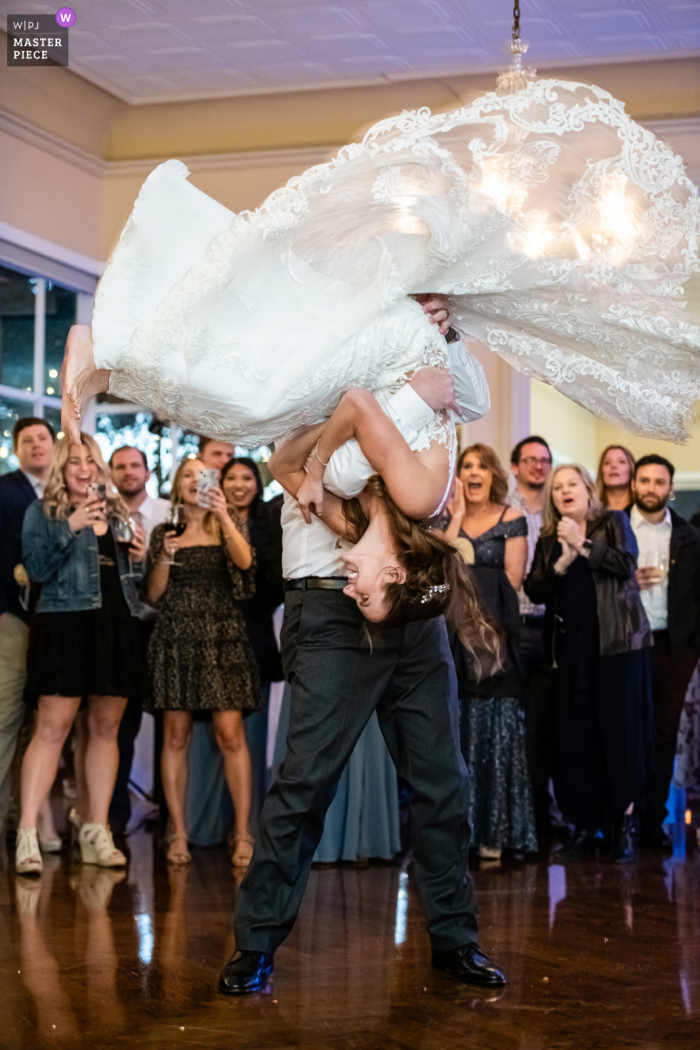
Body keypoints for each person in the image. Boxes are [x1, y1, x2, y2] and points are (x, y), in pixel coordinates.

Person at [61, 80, 698, 454]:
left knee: (255, 410)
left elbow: (470, 400)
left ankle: (108, 355)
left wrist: (446, 332)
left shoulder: (449, 320)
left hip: (383, 345)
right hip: (362, 328)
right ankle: (103, 348)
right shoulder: (392, 257)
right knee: (254, 392)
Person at [220, 365, 506, 996]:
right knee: (304, 781)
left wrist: (441, 348)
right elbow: (284, 461)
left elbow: (470, 398)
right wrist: (389, 405)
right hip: (327, 611)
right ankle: (256, 945)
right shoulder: (316, 378)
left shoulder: (418, 485)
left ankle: (455, 939)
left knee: (445, 782)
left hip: (412, 606)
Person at [16, 434, 150, 875]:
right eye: (73, 460)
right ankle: (28, 834)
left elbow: (134, 578)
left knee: (106, 729)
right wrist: (71, 524)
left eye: (90, 459)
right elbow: (35, 570)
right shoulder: (43, 512)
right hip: (65, 624)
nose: (83, 467)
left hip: (115, 625)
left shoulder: (120, 513)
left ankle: (96, 829)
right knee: (52, 731)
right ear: (61, 467)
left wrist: (143, 555)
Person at [524, 464, 653, 864]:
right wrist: (563, 559)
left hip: (617, 649)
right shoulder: (550, 537)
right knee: (577, 741)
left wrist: (583, 545)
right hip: (570, 653)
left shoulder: (613, 521)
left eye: (571, 484)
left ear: (587, 489)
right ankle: (583, 827)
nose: (564, 491)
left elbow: (625, 565)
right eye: (557, 487)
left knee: (620, 738)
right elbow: (534, 588)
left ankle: (622, 828)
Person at [144, 457, 260, 867]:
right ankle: (177, 830)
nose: (196, 481)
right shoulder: (164, 533)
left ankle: (243, 832)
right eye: (188, 475)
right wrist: (164, 557)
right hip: (176, 637)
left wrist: (224, 516)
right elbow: (153, 595)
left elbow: (246, 566)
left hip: (222, 637)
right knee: (175, 737)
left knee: (231, 735)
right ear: (177, 486)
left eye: (202, 475)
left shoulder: (227, 525)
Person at [440, 443, 536, 860]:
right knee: (455, 731)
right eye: (466, 466)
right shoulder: (445, 520)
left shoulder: (512, 519)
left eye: (481, 465)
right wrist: (457, 517)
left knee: (497, 733)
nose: (474, 472)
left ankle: (495, 834)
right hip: (451, 638)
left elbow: (512, 581)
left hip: (495, 640)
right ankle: (460, 836)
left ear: (494, 474)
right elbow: (437, 569)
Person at [626, 454, 700, 850]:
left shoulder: (690, 536)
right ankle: (624, 816)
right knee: (629, 731)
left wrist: (693, 646)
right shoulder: (613, 527)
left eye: (659, 482)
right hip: (627, 644)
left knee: (665, 733)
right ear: (634, 484)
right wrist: (628, 579)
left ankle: (652, 819)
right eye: (645, 480)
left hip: (674, 646)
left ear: (670, 489)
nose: (651, 488)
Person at [0, 417, 59, 850]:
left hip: (59, 624)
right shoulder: (5, 490)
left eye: (42, 438)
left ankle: (33, 820)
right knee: (5, 719)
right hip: (14, 621)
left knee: (45, 727)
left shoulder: (68, 491)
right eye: (27, 441)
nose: (36, 446)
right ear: (16, 450)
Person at [106, 445, 170, 835]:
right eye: (121, 467)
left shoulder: (167, 513)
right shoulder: (102, 514)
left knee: (170, 724)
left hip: (164, 629)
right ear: (112, 473)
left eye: (135, 466)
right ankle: (113, 816)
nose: (128, 472)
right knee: (119, 725)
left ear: (147, 473)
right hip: (119, 631)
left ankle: (167, 811)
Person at [220, 457, 283, 830]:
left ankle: (252, 822)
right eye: (232, 478)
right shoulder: (205, 517)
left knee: (253, 732)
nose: (240, 484)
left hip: (255, 629)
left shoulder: (268, 523)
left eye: (247, 477)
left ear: (258, 485)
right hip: (212, 630)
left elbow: (274, 580)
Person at [508, 435, 556, 838]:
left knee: (546, 727)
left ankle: (541, 818)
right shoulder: (505, 509)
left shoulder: (560, 510)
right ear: (515, 467)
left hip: (554, 627)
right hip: (515, 624)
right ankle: (510, 817)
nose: (538, 466)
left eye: (544, 460)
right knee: (513, 720)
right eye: (530, 460)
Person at [597, 445, 636, 510]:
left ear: (632, 469)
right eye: (607, 463)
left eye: (621, 462)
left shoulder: (642, 509)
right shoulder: (590, 510)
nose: (613, 465)